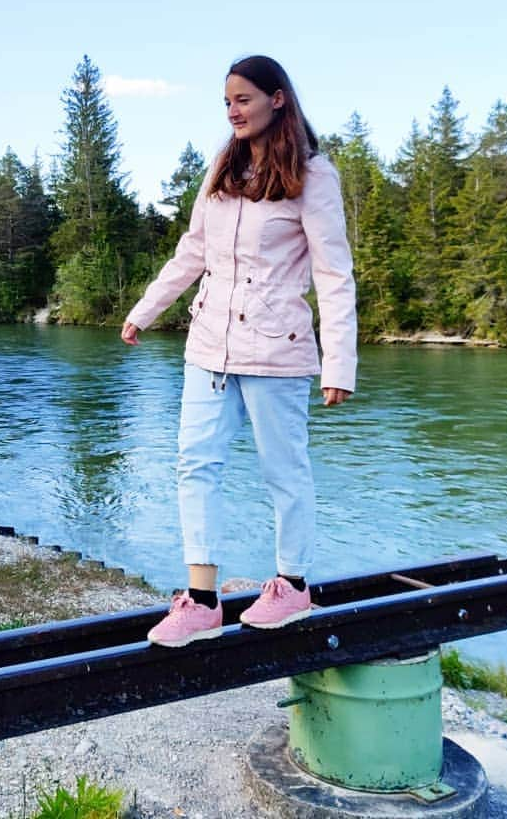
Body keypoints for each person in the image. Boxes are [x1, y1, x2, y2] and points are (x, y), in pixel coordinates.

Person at [121, 55, 356, 646]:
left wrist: (340, 362)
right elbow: (192, 251)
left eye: (243, 99)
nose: (233, 111)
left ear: (278, 99)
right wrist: (145, 311)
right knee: (194, 464)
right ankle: (202, 600)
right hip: (207, 345)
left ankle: (293, 586)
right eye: (227, 102)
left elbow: (333, 273)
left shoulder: (313, 174)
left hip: (277, 350)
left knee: (284, 471)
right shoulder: (222, 169)